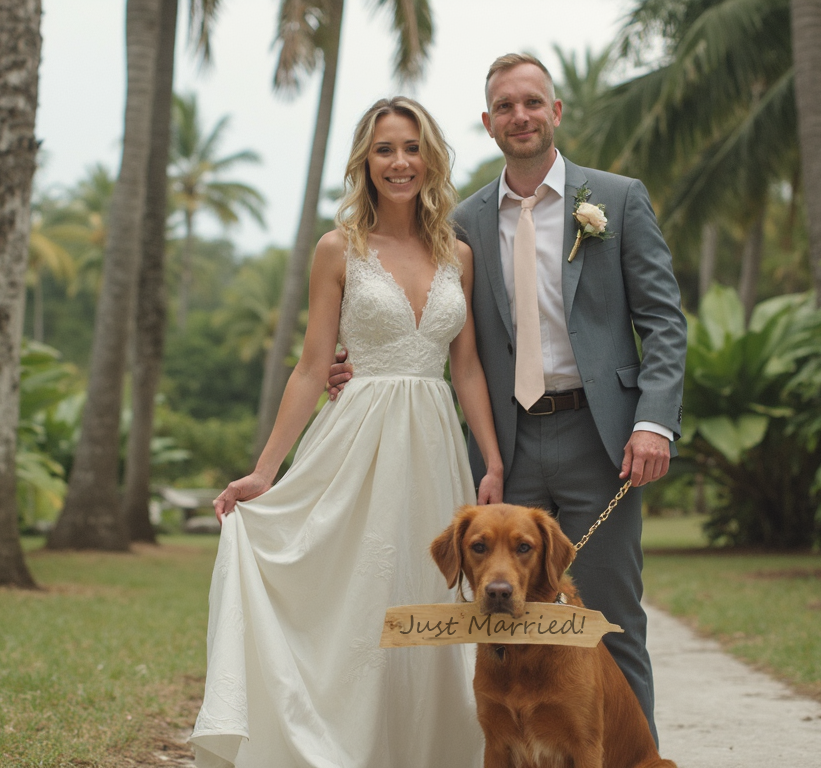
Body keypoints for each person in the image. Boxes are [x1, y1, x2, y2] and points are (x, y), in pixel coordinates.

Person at [328, 53, 688, 743]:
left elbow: (664, 322)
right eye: (505, 107)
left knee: (606, 619)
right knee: (499, 624)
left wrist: (653, 422)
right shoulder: (460, 223)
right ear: (488, 123)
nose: (520, 116)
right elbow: (423, 311)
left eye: (532, 102)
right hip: (504, 446)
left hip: (602, 439)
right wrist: (355, 360)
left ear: (554, 112)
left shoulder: (615, 199)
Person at [189, 96, 500, 768]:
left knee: (426, 601)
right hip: (356, 444)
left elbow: (467, 369)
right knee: (355, 603)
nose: (399, 162)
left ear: (430, 159)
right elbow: (309, 369)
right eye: (384, 149)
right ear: (365, 162)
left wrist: (493, 463)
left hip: (436, 445)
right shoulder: (339, 250)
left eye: (411, 147)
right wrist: (264, 472)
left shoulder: (459, 256)